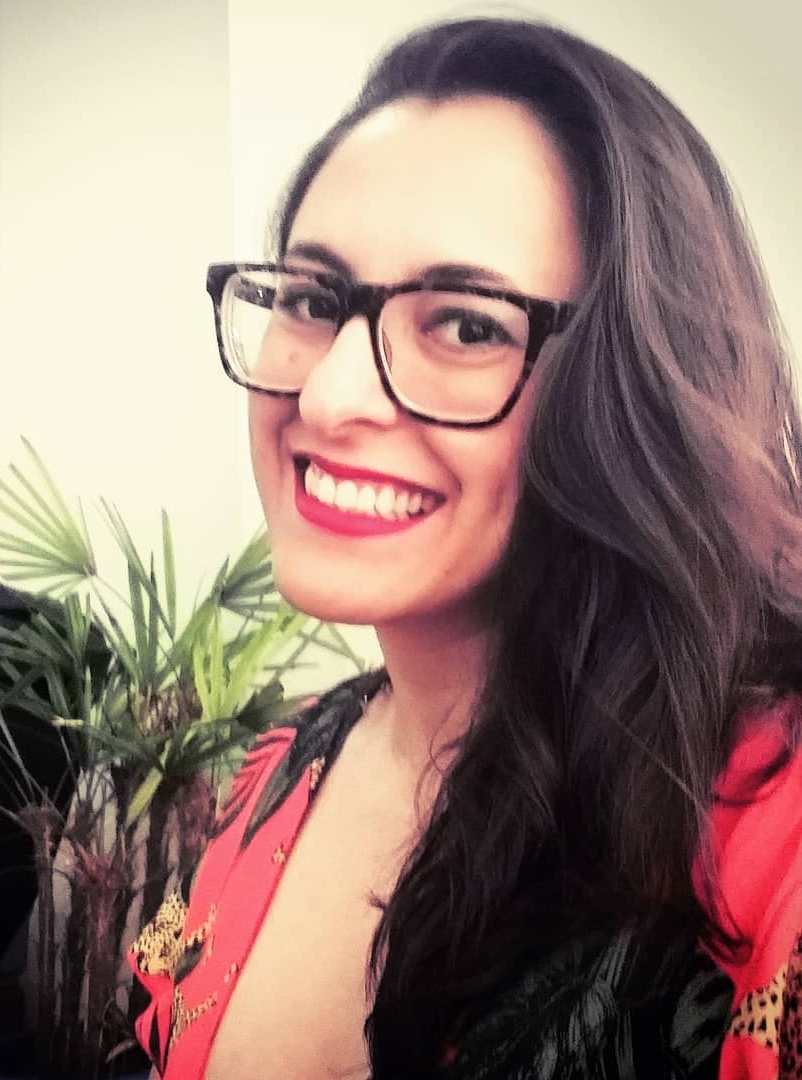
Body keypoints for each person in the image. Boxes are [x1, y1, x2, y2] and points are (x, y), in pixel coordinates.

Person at [129, 15, 802, 1080]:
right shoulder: (271, 776)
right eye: (312, 300)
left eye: (468, 325)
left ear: (635, 386)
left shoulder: (771, 828)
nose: (328, 396)